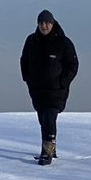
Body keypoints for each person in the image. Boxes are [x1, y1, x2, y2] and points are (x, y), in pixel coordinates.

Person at [20, 9, 78, 165]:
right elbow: (24, 60)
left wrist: (62, 83)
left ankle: (47, 153)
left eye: (46, 23)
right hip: (37, 90)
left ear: (52, 24)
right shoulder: (31, 41)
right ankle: (51, 148)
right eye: (41, 23)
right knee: (42, 119)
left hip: (56, 91)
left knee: (49, 117)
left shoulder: (63, 43)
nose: (44, 26)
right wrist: (28, 79)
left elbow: (73, 65)